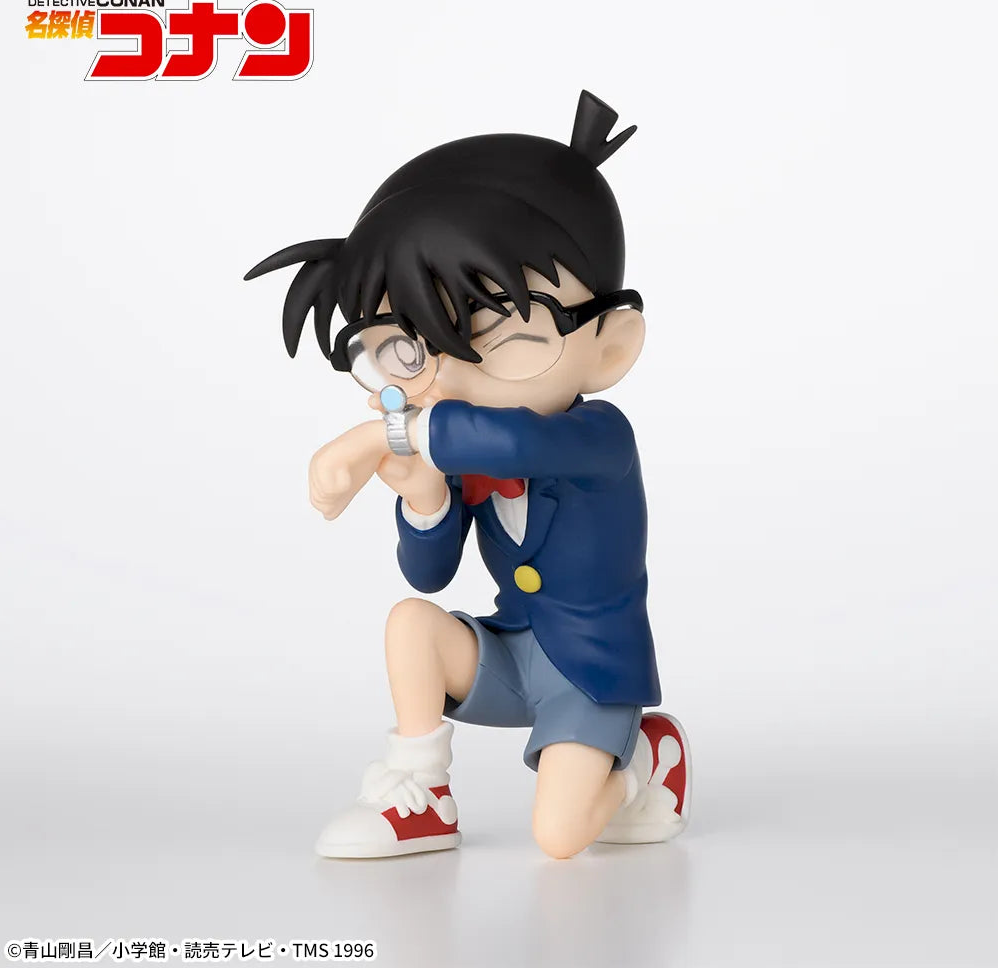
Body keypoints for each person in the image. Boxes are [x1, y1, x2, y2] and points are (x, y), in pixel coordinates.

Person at [245, 90, 690, 859]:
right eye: (408, 345)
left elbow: (511, 442)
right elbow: (429, 571)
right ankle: (422, 793)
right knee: (411, 624)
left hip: (591, 672)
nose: (448, 375)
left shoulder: (599, 438)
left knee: (560, 838)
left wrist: (381, 434)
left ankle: (648, 758)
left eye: (495, 335)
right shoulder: (456, 451)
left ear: (611, 348)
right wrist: (422, 496)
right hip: (510, 656)